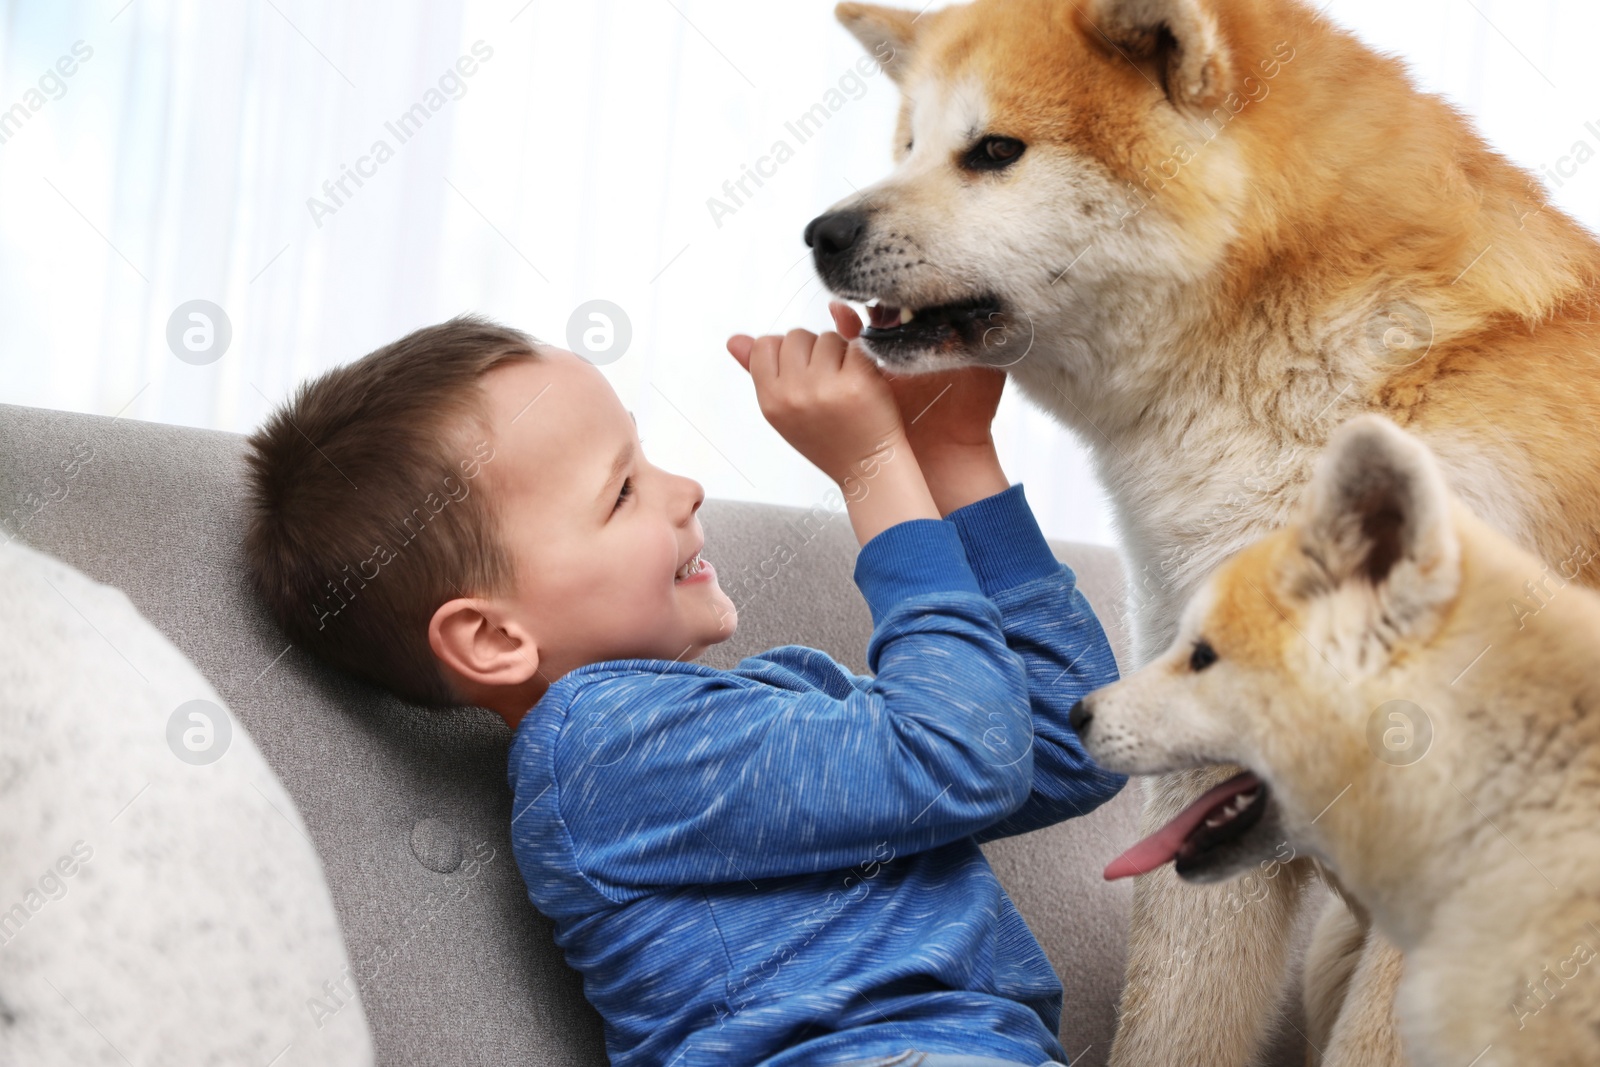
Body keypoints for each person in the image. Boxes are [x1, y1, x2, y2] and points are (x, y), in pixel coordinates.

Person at [242, 301, 1126, 1067]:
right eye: (622, 491)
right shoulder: (605, 748)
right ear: (494, 637)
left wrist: (955, 452)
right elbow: (961, 753)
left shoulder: (775, 702)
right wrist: (872, 470)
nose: (685, 490)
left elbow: (1073, 739)